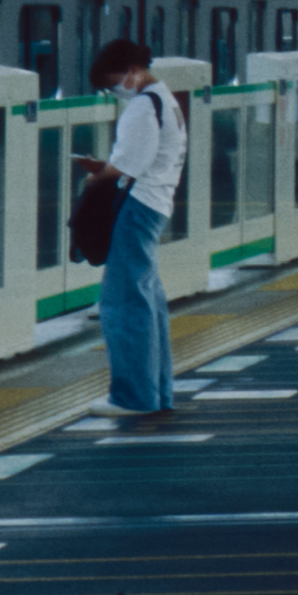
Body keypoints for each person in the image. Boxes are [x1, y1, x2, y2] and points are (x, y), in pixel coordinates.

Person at [70, 37, 187, 417]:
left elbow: (123, 169)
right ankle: (156, 392)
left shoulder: (142, 106)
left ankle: (133, 397)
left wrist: (94, 175)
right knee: (147, 300)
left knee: (123, 302)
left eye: (114, 82)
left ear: (133, 71)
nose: (115, 90)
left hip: (137, 207)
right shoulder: (166, 100)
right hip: (157, 203)